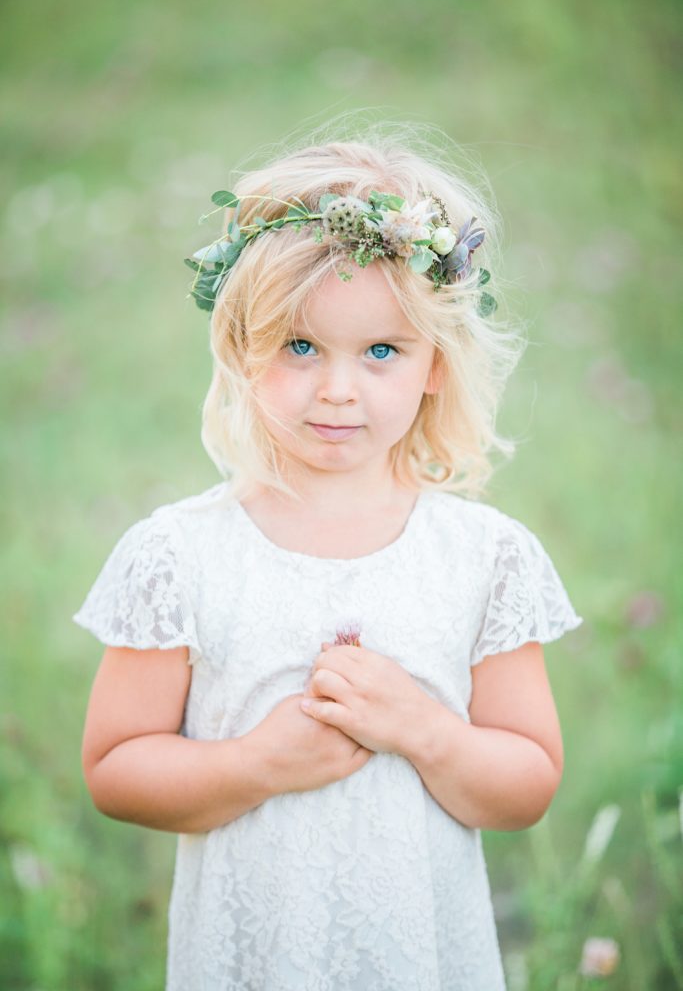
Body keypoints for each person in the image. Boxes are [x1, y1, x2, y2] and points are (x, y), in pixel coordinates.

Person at [74, 124, 583, 991]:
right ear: (243, 348)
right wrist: (257, 764)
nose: (338, 387)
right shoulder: (179, 553)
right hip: (251, 959)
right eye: (300, 347)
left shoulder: (483, 556)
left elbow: (525, 785)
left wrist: (422, 730)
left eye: (381, 351)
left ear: (434, 364)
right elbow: (116, 770)